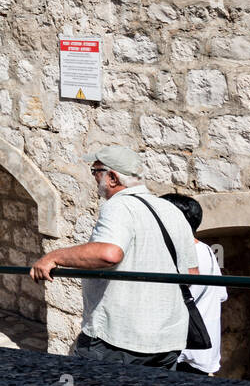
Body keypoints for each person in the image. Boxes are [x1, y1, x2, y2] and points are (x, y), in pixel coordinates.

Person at [30, 146, 197, 369]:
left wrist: (53, 257)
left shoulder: (119, 206)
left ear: (112, 177)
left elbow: (109, 254)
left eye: (95, 171)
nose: (94, 177)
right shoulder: (171, 210)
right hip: (167, 340)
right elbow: (192, 274)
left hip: (118, 339)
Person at [162, 193, 227, 376]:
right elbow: (221, 295)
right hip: (202, 350)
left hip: (181, 353)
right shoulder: (207, 250)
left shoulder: (180, 253)